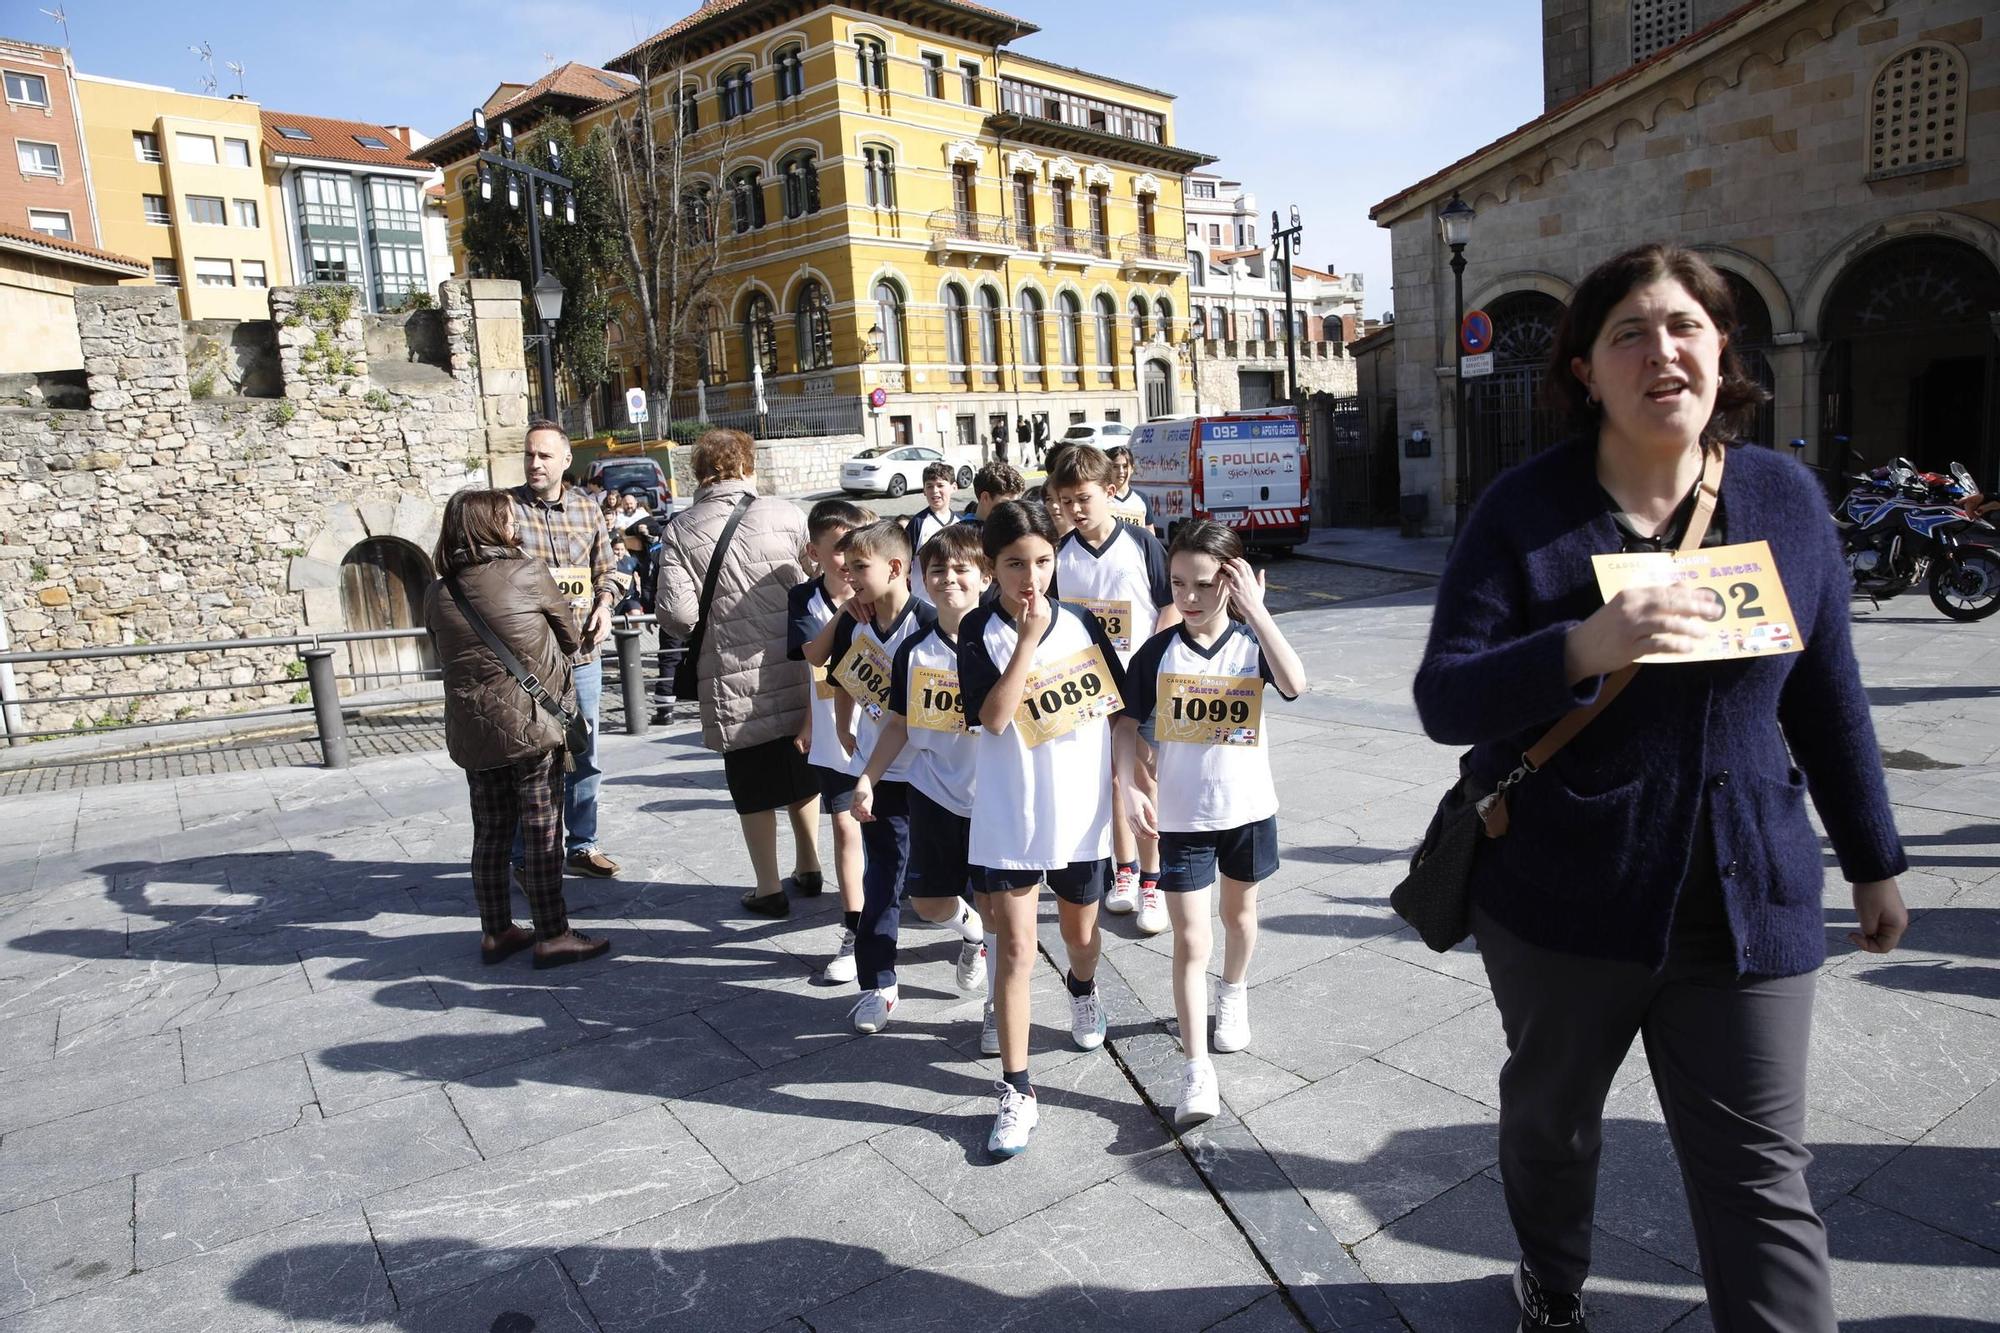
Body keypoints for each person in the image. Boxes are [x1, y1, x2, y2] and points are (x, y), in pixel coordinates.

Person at [1413, 243, 1908, 1333]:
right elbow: (1445, 699)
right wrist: (1579, 645)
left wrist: (1872, 859)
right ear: (1584, 367)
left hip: (1751, 902)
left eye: (1682, 325)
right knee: (1554, 1127)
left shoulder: (1783, 499)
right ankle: (1549, 1281)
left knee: (1758, 1178)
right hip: (1561, 901)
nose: (1660, 350)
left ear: (1721, 347)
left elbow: (1826, 696)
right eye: (1627, 333)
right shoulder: (1522, 510)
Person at [1115, 520, 1306, 1128]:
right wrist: (1127, 780)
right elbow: (1123, 721)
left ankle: (1235, 992)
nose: (1190, 598)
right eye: (1178, 585)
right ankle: (1196, 1069)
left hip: (1248, 810)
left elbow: (1296, 683)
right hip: (1181, 819)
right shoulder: (1160, 651)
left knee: (1239, 918)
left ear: (1233, 581)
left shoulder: (1252, 642)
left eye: (1204, 584)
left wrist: (1258, 610)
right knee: (1191, 941)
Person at [959, 500, 1132, 1158]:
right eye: (1014, 564)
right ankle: (1017, 1088)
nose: (1031, 577)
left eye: (1041, 561)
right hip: (1009, 818)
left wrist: (1131, 784)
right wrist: (1028, 639)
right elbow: (994, 718)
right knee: (1017, 951)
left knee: (1083, 938)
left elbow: (1118, 710)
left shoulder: (1084, 622)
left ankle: (1084, 991)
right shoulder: (979, 629)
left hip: (1079, 816)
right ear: (991, 567)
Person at [422, 488, 610, 969]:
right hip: (533, 723)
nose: (515, 526)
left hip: (474, 731)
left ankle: (496, 933)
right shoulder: (526, 571)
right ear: (492, 525)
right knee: (543, 830)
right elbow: (570, 638)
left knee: (490, 834)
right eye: (507, 519)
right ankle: (553, 935)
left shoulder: (439, 591)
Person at [659, 429, 824, 916]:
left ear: (698, 472)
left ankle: (769, 887)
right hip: (794, 666)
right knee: (800, 770)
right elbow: (814, 579)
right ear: (748, 465)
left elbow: (680, 615)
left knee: (752, 784)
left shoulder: (681, 529)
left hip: (732, 679)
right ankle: (811, 865)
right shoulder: (787, 513)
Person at [853, 524, 995, 1047]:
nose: (949, 579)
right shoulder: (915, 649)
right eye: (938, 570)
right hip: (934, 792)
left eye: (961, 569)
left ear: (985, 576)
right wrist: (867, 778)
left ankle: (998, 1009)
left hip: (995, 798)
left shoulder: (1004, 640)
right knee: (929, 904)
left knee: (1001, 911)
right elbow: (896, 723)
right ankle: (970, 929)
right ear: (920, 577)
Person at [1047, 444, 1179, 931]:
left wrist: (1154, 661)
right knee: (1109, 782)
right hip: (1086, 690)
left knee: (1143, 781)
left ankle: (1153, 880)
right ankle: (1123, 872)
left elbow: (1168, 605)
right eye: (1065, 502)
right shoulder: (1059, 556)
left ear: (1110, 490)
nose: (1075, 510)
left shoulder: (1143, 545)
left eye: (1083, 498)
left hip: (1140, 687)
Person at [824, 519, 936, 1032]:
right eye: (845, 570)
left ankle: (972, 931)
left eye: (859, 569)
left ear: (896, 567)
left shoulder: (931, 623)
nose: (850, 579)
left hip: (935, 777)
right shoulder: (854, 620)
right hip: (878, 774)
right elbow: (840, 672)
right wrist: (843, 723)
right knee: (882, 879)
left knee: (936, 886)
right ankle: (878, 984)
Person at [509, 421, 626, 879]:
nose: (534, 463)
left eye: (543, 456)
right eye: (529, 455)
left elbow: (608, 570)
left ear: (564, 460)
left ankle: (583, 844)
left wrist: (605, 603)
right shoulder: (507, 511)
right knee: (531, 757)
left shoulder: (587, 509)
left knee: (585, 751)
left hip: (581, 656)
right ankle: (526, 856)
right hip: (527, 662)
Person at [788, 498, 874, 980]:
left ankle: (966, 925)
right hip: (835, 741)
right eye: (840, 549)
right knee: (845, 827)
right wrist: (808, 720)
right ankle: (855, 930)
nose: (849, 558)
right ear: (814, 552)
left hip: (887, 737)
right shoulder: (805, 599)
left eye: (858, 546)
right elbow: (813, 660)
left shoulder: (889, 594)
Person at [903, 462, 958, 604]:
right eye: (929, 486)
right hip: (924, 602)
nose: (934, 491)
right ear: (924, 491)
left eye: (940, 485)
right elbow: (904, 563)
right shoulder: (918, 523)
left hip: (955, 601)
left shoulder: (961, 523)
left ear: (954, 487)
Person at [1104, 445, 1158, 533]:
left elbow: (1150, 532)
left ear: (1132, 468)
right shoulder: (1101, 498)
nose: (1121, 471)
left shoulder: (1142, 498)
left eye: (1125, 466)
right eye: (1115, 467)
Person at [964, 462, 1025, 527]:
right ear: (985, 498)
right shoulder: (961, 534)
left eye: (1016, 503)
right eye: (1006, 504)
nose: (1012, 510)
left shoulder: (1014, 527)